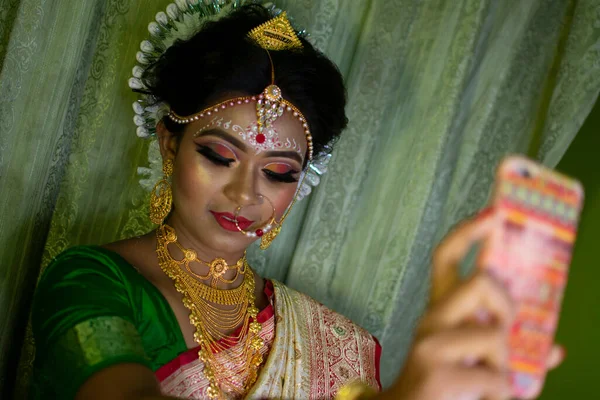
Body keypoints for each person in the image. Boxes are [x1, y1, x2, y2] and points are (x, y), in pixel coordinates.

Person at [29, 3, 565, 400]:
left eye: (279, 172)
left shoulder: (333, 345)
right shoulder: (91, 283)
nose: (245, 193)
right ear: (170, 143)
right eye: (219, 155)